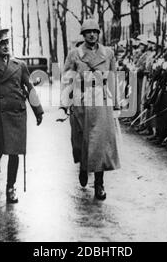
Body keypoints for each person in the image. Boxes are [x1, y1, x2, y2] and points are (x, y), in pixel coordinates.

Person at [0, 29, 44, 203]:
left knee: (14, 153)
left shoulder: (19, 65)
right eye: (0, 44)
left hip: (15, 113)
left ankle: (11, 187)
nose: (5, 46)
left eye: (6, 43)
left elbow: (29, 88)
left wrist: (38, 110)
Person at [61, 18, 121, 200]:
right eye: (88, 32)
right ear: (83, 35)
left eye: (95, 31)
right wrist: (65, 102)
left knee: (99, 143)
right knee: (81, 140)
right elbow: (66, 79)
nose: (92, 35)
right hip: (81, 100)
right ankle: (83, 167)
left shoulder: (108, 53)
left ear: (99, 34)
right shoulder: (74, 54)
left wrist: (116, 103)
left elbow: (113, 78)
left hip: (101, 100)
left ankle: (99, 184)